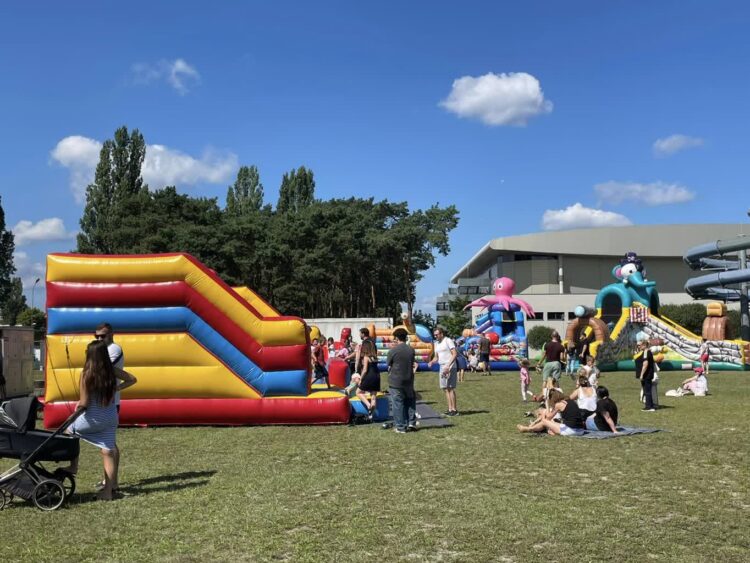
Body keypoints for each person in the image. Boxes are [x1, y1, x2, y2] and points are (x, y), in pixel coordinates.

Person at [64, 340, 137, 500]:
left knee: (69, 431)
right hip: (110, 417)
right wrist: (117, 388)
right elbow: (132, 379)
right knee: (107, 451)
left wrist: (75, 412)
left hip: (93, 418)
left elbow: (84, 403)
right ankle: (108, 492)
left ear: (89, 355)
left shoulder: (86, 374)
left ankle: (73, 466)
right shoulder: (112, 371)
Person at [93, 323, 129, 493]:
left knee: (107, 444)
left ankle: (112, 483)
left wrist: (117, 389)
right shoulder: (103, 350)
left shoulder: (114, 348)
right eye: (97, 336)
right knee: (107, 443)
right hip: (105, 401)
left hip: (110, 403)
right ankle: (109, 480)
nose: (100, 339)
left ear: (111, 334)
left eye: (103, 336)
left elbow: (103, 368)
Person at [387, 328, 417, 433]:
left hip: (396, 381)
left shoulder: (393, 351)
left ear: (396, 338)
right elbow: (412, 363)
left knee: (398, 404)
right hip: (409, 379)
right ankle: (411, 423)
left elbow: (389, 364)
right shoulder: (411, 350)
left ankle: (400, 427)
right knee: (410, 401)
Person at [517, 396, 585, 436]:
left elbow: (547, 418)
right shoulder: (571, 401)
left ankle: (528, 429)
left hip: (572, 430)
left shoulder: (558, 404)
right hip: (580, 430)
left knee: (544, 422)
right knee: (551, 424)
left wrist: (544, 412)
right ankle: (533, 428)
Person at [428, 327, 458, 416]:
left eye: (437, 334)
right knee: (445, 388)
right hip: (442, 367)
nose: (435, 336)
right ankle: (449, 409)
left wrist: (448, 365)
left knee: (450, 387)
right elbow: (436, 357)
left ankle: (454, 410)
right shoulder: (436, 344)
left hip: (450, 367)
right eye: (434, 335)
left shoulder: (448, 341)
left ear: (441, 334)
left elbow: (454, 354)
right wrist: (432, 361)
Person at [357, 339, 381, 414]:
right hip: (377, 376)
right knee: (373, 396)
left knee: (358, 392)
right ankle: (372, 415)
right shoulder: (375, 357)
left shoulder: (366, 357)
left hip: (369, 376)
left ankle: (368, 405)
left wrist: (361, 379)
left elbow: (364, 370)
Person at [634, 340, 656, 412]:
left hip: (646, 375)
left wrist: (641, 375)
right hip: (647, 375)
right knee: (647, 390)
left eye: (639, 345)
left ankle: (649, 407)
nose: (638, 347)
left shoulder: (646, 352)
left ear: (644, 345)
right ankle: (651, 405)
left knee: (647, 391)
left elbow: (645, 364)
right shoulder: (644, 352)